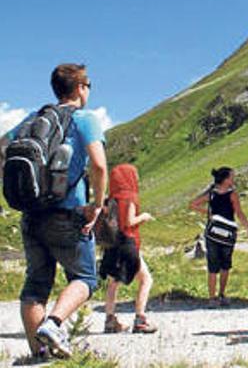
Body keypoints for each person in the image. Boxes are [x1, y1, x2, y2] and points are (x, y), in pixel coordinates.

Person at [0, 64, 106, 360]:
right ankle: (54, 324)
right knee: (85, 278)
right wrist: (97, 205)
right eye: (88, 85)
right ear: (81, 88)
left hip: (32, 214)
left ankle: (40, 356)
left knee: (35, 285)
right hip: (68, 214)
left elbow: (1, 149)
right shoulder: (85, 119)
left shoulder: (33, 119)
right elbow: (98, 165)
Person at [101, 164, 158, 334]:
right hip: (128, 243)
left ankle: (110, 320)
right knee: (146, 279)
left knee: (113, 282)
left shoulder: (110, 199)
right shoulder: (130, 196)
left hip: (112, 244)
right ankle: (140, 319)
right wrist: (144, 216)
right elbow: (129, 222)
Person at [189, 167, 248, 307]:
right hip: (228, 233)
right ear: (225, 180)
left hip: (212, 233)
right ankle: (222, 295)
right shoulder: (232, 194)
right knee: (225, 264)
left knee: (212, 266)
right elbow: (239, 213)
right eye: (231, 177)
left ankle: (212, 298)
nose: (233, 180)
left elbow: (193, 204)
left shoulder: (211, 193)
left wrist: (209, 214)